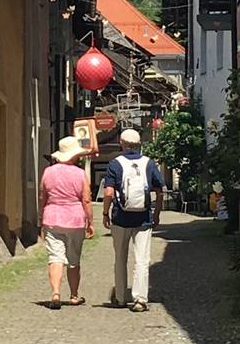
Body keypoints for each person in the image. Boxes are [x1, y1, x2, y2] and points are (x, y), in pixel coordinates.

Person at [103, 128, 164, 312]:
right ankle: (140, 299)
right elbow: (160, 191)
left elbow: (108, 192)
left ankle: (120, 297)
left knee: (120, 258)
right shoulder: (149, 163)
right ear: (138, 144)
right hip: (143, 219)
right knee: (142, 260)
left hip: (120, 218)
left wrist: (105, 213)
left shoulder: (115, 163)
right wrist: (156, 213)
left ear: (122, 143)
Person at [39, 136, 94, 309]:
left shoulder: (48, 172)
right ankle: (74, 295)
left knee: (55, 257)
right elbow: (86, 199)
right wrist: (90, 222)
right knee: (73, 259)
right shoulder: (80, 174)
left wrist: (42, 218)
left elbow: (43, 196)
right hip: (75, 218)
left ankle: (55, 293)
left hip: (52, 217)